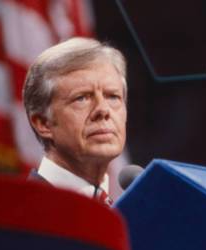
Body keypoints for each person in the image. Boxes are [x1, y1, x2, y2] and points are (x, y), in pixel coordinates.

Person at [23, 37, 128, 205]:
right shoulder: (22, 215)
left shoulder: (127, 216)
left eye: (113, 97)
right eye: (82, 98)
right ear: (43, 123)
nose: (103, 110)